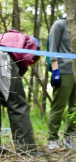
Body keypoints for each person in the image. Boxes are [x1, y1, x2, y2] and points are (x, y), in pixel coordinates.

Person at [47, 18, 76, 150]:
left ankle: (69, 138)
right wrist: (55, 71)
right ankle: (52, 138)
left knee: (74, 107)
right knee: (58, 106)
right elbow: (52, 47)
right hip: (64, 71)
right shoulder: (60, 24)